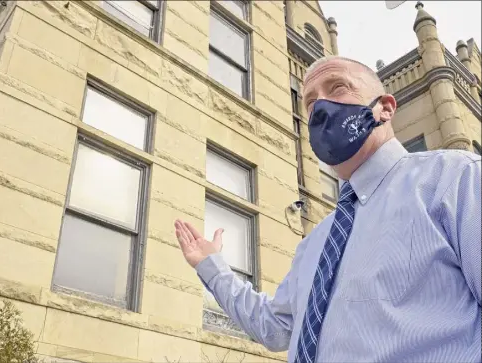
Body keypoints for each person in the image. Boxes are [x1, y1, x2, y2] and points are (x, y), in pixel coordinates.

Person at [174, 56, 481, 363]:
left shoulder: (456, 180)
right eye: (309, 103)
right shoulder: (314, 244)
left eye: (337, 87)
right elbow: (275, 328)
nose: (320, 107)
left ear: (385, 108)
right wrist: (211, 266)